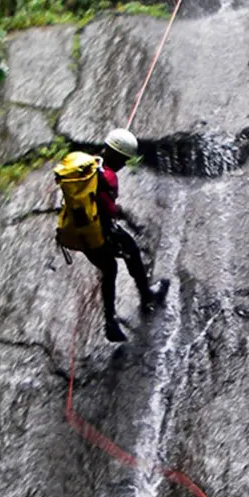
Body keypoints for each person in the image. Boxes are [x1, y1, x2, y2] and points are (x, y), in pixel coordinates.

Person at [83, 128, 169, 342]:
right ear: (113, 154)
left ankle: (110, 320)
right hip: (102, 231)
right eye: (122, 159)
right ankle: (146, 296)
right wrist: (119, 211)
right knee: (132, 253)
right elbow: (109, 209)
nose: (123, 164)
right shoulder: (108, 177)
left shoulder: (88, 164)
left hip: (81, 232)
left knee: (109, 269)